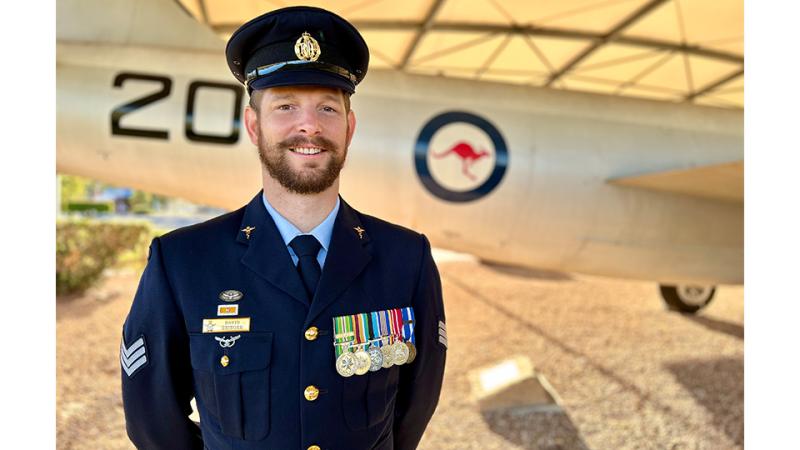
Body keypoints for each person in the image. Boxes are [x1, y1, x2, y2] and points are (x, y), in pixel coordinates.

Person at [120, 6, 447, 450]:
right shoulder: (182, 262)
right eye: (286, 106)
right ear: (254, 126)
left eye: (327, 107)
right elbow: (154, 422)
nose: (309, 125)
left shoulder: (406, 258)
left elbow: (413, 408)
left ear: (349, 128)